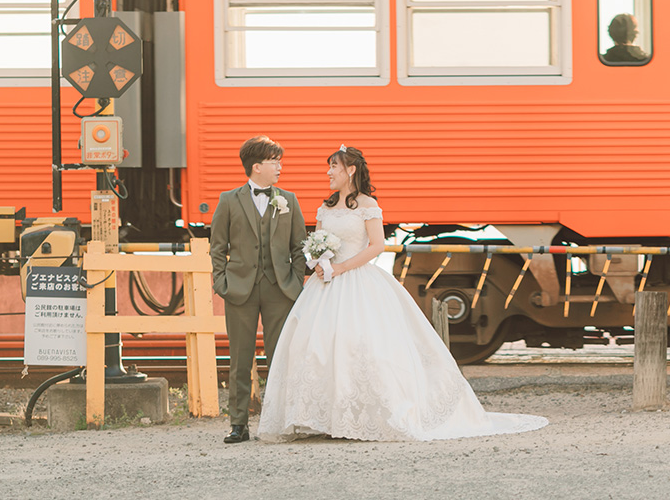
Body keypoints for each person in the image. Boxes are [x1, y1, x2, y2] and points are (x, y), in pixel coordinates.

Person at [257, 145, 547, 442]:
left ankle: (359, 416)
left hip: (357, 279)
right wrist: (320, 262)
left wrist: (342, 267)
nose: (328, 173)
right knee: (314, 345)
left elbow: (376, 246)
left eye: (334, 167)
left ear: (351, 170)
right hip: (325, 285)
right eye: (328, 167)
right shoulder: (325, 207)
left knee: (361, 345)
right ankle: (319, 417)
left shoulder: (368, 205)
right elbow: (318, 240)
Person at [210, 135, 308, 444]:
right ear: (256, 167)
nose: (280, 167)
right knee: (240, 357)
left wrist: (294, 280)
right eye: (274, 161)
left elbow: (299, 246)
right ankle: (238, 423)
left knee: (280, 356)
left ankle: (278, 419)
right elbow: (218, 247)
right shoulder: (228, 200)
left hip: (281, 289)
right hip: (240, 289)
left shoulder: (288, 200)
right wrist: (221, 282)